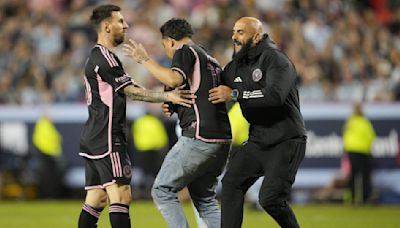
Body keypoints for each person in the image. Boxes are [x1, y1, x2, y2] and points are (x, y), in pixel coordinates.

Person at [78, 5, 194, 228]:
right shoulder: (105, 57)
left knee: (97, 198)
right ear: (106, 26)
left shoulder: (98, 56)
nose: (126, 25)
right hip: (108, 136)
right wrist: (167, 95)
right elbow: (130, 91)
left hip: (94, 135)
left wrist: (162, 94)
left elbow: (130, 86)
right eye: (120, 21)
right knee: (121, 196)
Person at [123, 18, 232, 228]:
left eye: (164, 46)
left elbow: (173, 79)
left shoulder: (185, 51)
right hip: (221, 140)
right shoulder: (211, 61)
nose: (167, 52)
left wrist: (144, 60)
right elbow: (198, 94)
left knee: (161, 190)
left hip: (199, 137)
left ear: (171, 41)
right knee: (205, 200)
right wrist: (173, 104)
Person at [208, 17, 307, 228]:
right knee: (231, 182)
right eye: (234, 31)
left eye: (241, 32)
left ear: (256, 37)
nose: (234, 37)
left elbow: (274, 96)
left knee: (270, 199)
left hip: (286, 140)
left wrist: (235, 93)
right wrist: (174, 102)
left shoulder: (276, 60)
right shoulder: (234, 68)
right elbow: (208, 91)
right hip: (258, 140)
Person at [343, 102, 376, 204]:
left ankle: (352, 198)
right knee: (364, 176)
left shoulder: (350, 122)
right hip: (363, 151)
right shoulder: (365, 122)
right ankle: (365, 198)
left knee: (353, 175)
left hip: (352, 151)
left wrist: (347, 148)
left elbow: (346, 136)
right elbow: (371, 136)